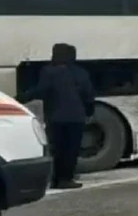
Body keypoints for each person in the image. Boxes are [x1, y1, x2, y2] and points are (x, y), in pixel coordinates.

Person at [19, 43, 94, 189]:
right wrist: (89, 112)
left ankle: (56, 178)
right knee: (71, 149)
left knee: (57, 149)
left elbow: (41, 91)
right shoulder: (80, 73)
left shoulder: (48, 71)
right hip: (75, 117)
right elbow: (89, 95)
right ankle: (66, 179)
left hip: (55, 117)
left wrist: (20, 98)